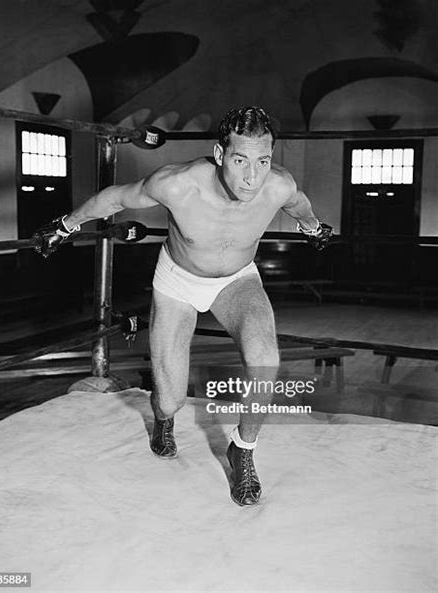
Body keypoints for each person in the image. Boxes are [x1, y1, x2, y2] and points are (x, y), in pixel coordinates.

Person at [33, 106, 332, 506]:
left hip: (237, 281)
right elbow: (116, 198)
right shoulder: (177, 184)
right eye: (240, 161)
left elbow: (299, 204)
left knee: (266, 358)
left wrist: (312, 228)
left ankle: (243, 450)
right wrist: (65, 225)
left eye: (262, 161)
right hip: (178, 282)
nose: (252, 176)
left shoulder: (278, 186)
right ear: (220, 154)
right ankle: (163, 419)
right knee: (170, 398)